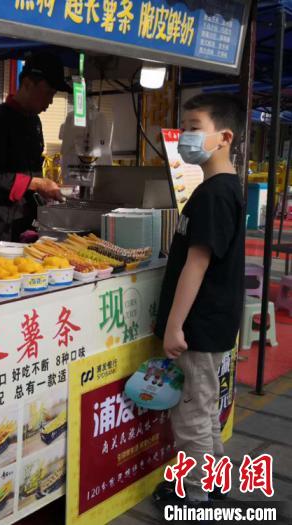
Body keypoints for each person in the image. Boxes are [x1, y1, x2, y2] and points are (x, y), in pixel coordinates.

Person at [153, 93, 245, 506]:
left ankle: (194, 499)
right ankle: (216, 482)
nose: (185, 136)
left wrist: (174, 325)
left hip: (199, 326)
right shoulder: (221, 188)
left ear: (223, 137)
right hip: (212, 322)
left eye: (194, 127)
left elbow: (197, 264)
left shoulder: (214, 194)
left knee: (191, 416)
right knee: (205, 408)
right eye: (184, 127)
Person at [0, 52, 70, 243]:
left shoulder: (34, 121)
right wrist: (36, 183)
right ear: (27, 84)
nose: (51, 101)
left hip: (26, 223)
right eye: (49, 92)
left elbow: (33, 168)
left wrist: (43, 188)